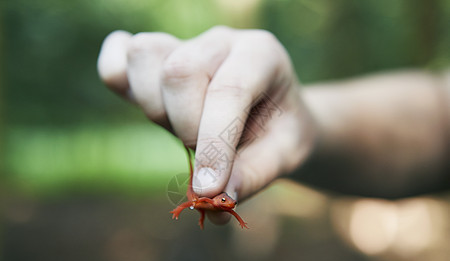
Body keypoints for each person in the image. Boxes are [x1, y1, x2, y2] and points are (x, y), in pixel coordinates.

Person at [97, 26, 450, 224]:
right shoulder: (208, 201)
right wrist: (301, 121)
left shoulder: (224, 205)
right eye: (224, 199)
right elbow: (441, 114)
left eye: (225, 200)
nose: (227, 201)